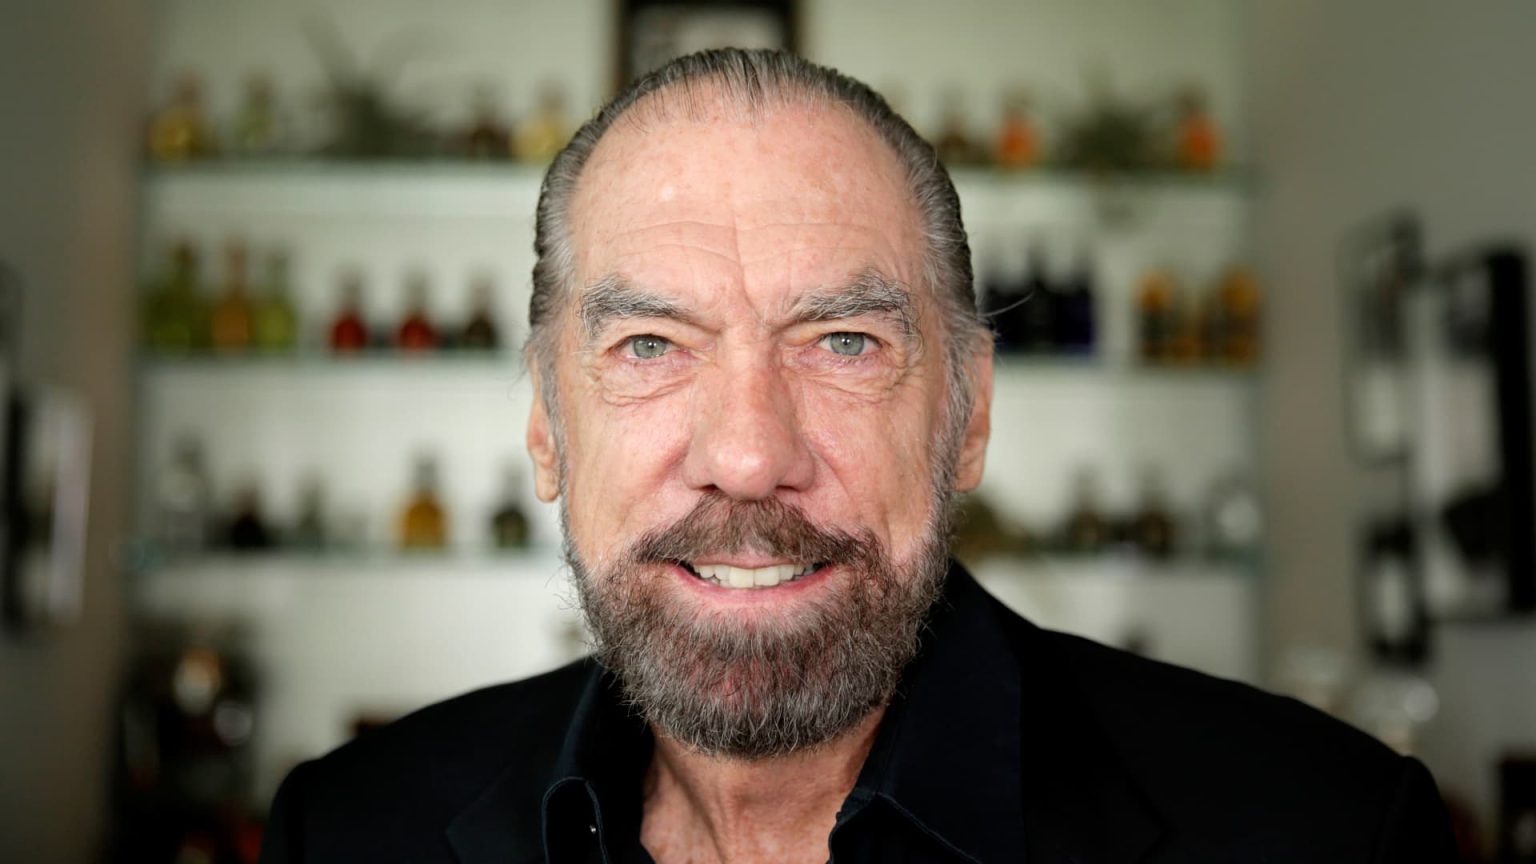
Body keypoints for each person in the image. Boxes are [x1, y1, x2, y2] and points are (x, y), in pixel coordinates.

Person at [258, 49, 1457, 863]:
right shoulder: (351, 830)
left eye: (843, 342)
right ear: (545, 426)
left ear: (967, 415)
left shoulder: (1328, 832)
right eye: (649, 344)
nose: (747, 455)